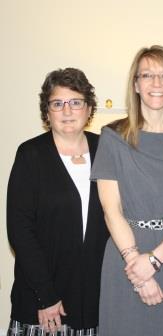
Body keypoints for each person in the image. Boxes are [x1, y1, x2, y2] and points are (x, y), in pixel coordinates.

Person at [90, 45, 163, 336]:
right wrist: (138, 269)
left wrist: (155, 259)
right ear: (136, 84)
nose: (156, 84)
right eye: (147, 75)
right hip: (125, 256)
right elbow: (111, 210)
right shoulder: (112, 137)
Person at [7, 68, 109, 336]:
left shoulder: (106, 150)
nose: (67, 111)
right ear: (47, 111)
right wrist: (46, 296)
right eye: (57, 103)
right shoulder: (31, 155)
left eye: (75, 102)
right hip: (44, 302)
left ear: (88, 109)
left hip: (94, 299)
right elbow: (20, 231)